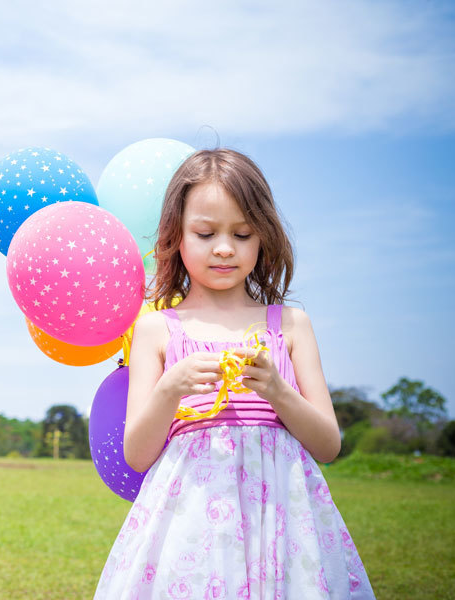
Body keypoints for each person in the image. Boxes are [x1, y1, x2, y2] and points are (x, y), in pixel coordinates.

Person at [94, 149, 374, 599]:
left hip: (282, 520)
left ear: (263, 237)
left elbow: (328, 444)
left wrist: (279, 391)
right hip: (190, 522)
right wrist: (170, 389)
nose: (224, 248)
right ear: (176, 236)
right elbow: (138, 455)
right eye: (205, 233)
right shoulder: (157, 329)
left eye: (242, 234)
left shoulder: (291, 326)